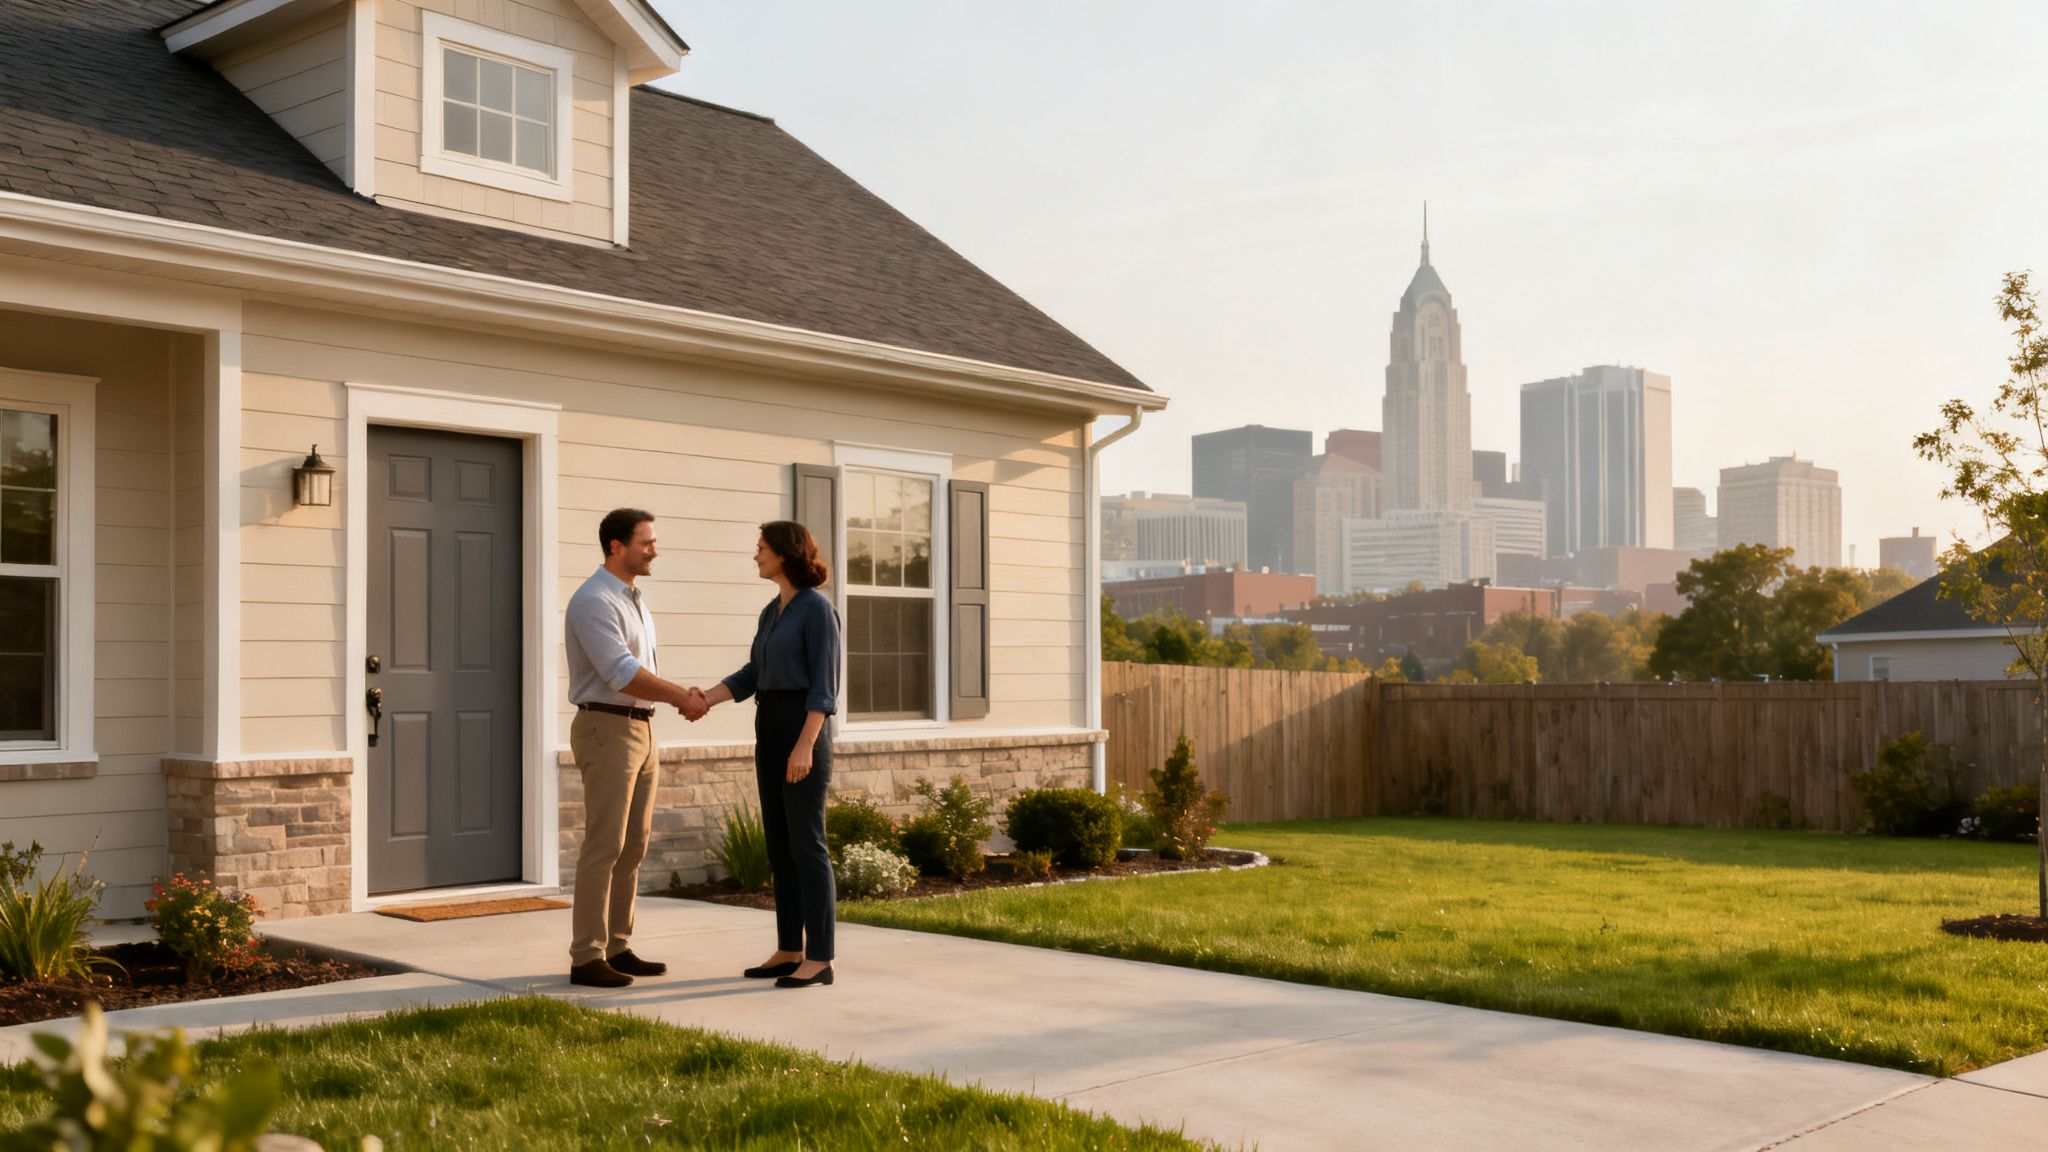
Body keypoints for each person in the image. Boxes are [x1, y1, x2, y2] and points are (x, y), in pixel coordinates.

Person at [684, 521, 842, 988]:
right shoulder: (772, 610)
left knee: (807, 846)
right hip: (768, 727)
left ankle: (821, 958)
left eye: (761, 549)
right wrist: (704, 699)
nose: (756, 556)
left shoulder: (817, 610)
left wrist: (805, 745)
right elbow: (755, 671)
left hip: (801, 730)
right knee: (780, 845)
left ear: (785, 554)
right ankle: (790, 948)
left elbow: (824, 686)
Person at [563, 508, 694, 989]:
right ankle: (586, 957)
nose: (654, 550)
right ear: (616, 546)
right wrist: (682, 696)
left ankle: (618, 944)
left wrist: (669, 702)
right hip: (607, 729)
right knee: (605, 844)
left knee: (634, 845)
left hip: (641, 729)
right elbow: (621, 672)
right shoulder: (595, 600)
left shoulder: (633, 598)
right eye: (646, 542)